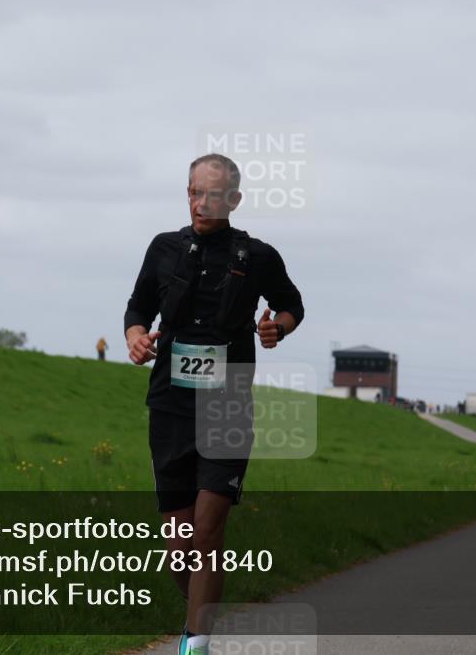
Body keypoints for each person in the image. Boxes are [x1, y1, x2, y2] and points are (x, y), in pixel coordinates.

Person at [124, 153, 305, 655]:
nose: (203, 203)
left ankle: (195, 643)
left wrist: (278, 327)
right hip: (170, 406)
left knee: (207, 531)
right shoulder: (163, 248)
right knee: (179, 549)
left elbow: (293, 303)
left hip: (228, 405)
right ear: (187, 193)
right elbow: (138, 305)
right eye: (194, 192)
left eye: (215, 195)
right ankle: (199, 621)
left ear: (234, 200)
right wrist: (136, 336)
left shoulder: (257, 256)